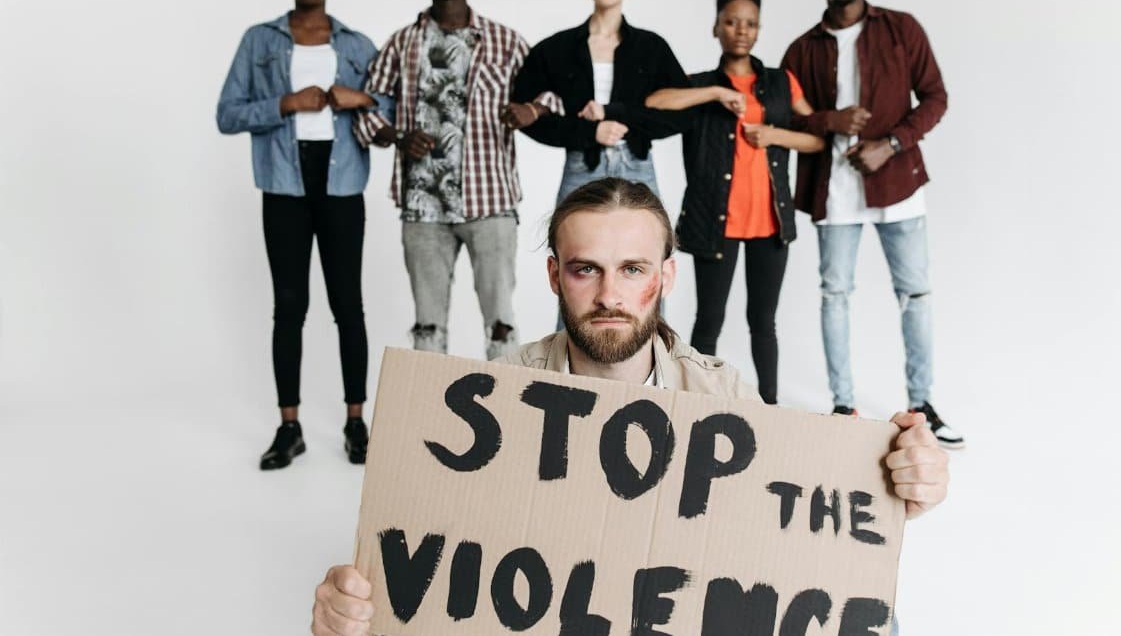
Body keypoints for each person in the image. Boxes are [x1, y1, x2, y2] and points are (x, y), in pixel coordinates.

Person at [308, 178, 950, 636]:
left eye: (633, 269)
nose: (610, 295)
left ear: (666, 278)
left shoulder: (721, 395)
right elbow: (433, 554)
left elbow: (789, 539)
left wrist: (896, 482)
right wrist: (352, 613)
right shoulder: (490, 398)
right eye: (587, 270)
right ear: (555, 276)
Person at [781, 0, 964, 448]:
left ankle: (921, 405)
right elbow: (783, 119)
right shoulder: (801, 50)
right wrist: (829, 120)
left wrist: (893, 144)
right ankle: (843, 405)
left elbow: (935, 97)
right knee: (835, 295)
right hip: (834, 190)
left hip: (898, 185)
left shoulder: (902, 29)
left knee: (916, 294)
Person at [217, 0, 379, 470]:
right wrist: (284, 103)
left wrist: (364, 97)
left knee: (348, 305)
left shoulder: (356, 45)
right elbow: (227, 113)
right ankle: (289, 428)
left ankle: (357, 423)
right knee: (288, 307)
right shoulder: (258, 40)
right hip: (284, 186)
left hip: (341, 184)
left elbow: (391, 111)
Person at [353, 0, 557, 360]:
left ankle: (507, 412)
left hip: (491, 202)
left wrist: (533, 109)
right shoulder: (402, 44)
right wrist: (398, 136)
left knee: (501, 321)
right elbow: (367, 107)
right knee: (427, 325)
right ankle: (429, 417)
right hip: (423, 204)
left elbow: (553, 92)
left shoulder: (505, 41)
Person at [645, 0, 825, 405]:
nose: (741, 30)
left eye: (751, 23)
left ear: (759, 28)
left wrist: (776, 135)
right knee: (709, 320)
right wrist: (714, 93)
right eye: (732, 21)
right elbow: (653, 102)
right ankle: (696, 406)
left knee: (764, 321)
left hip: (770, 221)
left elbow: (817, 138)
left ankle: (771, 409)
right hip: (715, 221)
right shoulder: (700, 84)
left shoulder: (782, 83)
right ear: (716, 27)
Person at [511, 0, 690, 203]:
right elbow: (524, 115)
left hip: (637, 163)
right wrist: (588, 132)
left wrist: (627, 123)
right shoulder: (556, 49)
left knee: (649, 239)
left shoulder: (651, 47)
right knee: (571, 239)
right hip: (580, 165)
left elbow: (681, 114)